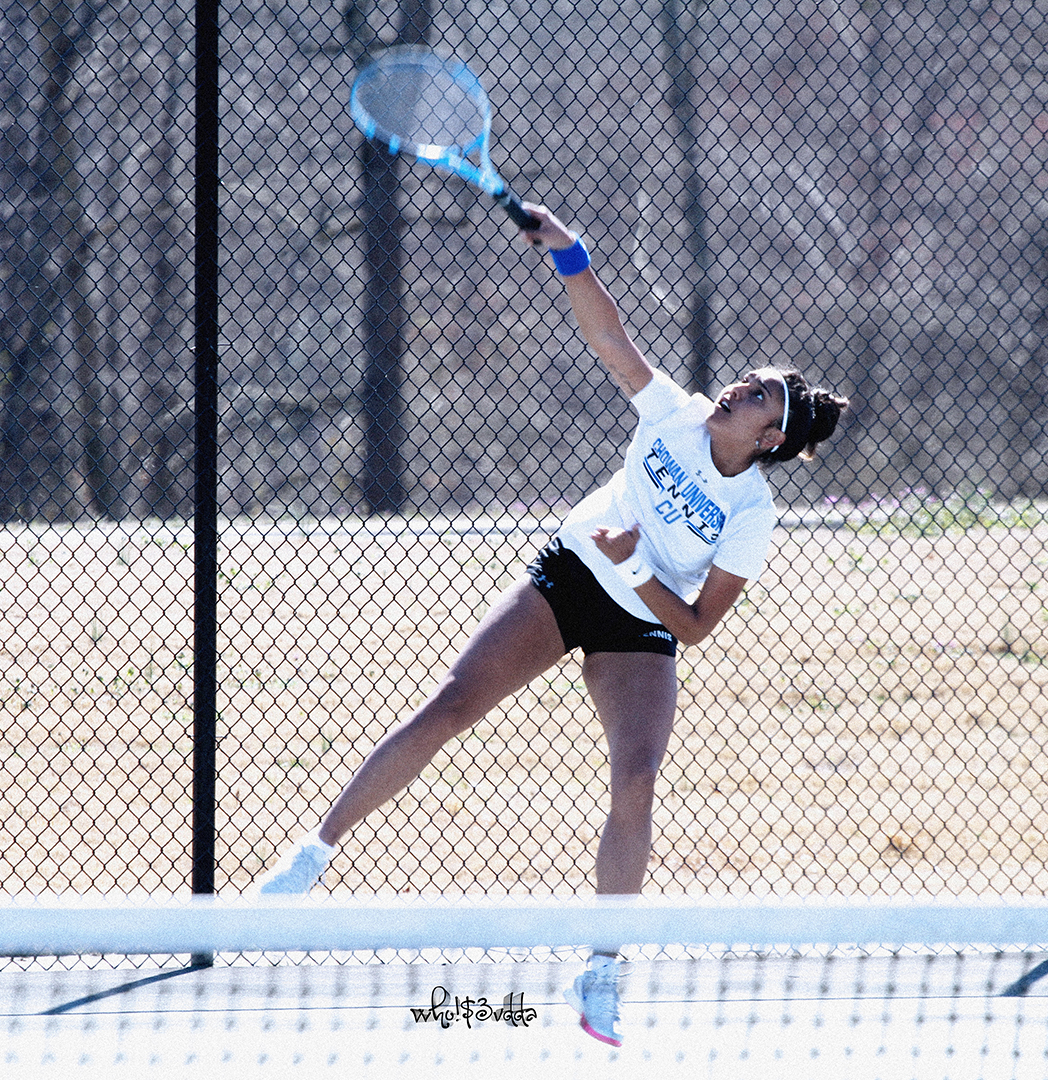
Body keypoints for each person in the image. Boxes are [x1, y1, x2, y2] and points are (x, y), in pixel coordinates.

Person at [251, 204, 850, 1046]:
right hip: (570, 575)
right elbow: (611, 341)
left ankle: (602, 969)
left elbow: (698, 626)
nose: (735, 388)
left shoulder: (751, 512)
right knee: (451, 706)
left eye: (754, 396)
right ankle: (311, 856)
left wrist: (637, 565)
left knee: (637, 776)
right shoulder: (675, 415)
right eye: (742, 381)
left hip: (643, 619)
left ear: (771, 436)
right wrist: (570, 252)